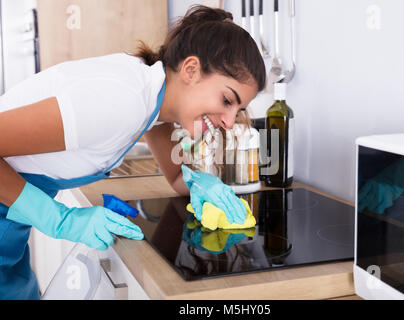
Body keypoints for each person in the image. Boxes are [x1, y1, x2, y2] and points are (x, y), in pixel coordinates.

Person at [0, 5, 266, 299]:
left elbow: (176, 175)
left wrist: (197, 182)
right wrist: (59, 219)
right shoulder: (121, 99)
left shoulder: (152, 97)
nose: (229, 122)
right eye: (227, 99)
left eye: (238, 110)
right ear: (191, 70)